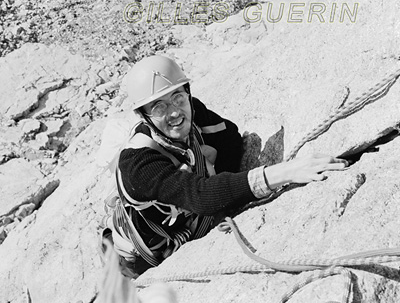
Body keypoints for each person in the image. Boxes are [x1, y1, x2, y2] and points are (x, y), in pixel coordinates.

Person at [108, 55, 347, 277]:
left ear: (187, 93)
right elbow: (200, 196)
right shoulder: (138, 163)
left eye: (177, 97)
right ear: (144, 116)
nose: (173, 112)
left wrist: (219, 184)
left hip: (186, 223)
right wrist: (286, 171)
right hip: (146, 254)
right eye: (158, 107)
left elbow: (230, 139)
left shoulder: (192, 110)